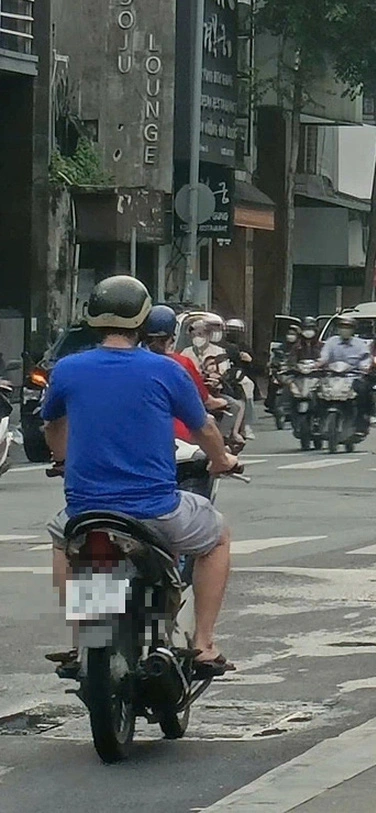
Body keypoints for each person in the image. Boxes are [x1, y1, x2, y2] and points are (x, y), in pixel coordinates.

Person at [42, 277, 239, 675]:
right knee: (217, 538)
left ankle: (82, 640)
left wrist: (63, 459)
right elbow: (205, 429)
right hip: (157, 511)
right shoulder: (164, 370)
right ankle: (203, 644)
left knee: (63, 541)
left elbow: (52, 427)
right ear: (144, 321)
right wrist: (222, 460)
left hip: (87, 512)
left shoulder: (67, 369)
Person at [143, 305, 227, 444]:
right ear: (172, 337)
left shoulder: (123, 366)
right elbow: (203, 412)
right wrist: (221, 458)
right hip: (179, 438)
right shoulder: (179, 363)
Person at [318, 316, 372, 432]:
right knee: (316, 392)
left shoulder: (360, 344)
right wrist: (319, 363)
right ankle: (317, 419)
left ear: (353, 330)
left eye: (348, 328)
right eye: (342, 327)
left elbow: (365, 358)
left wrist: (365, 366)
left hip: (353, 376)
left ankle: (363, 419)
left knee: (363, 390)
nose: (345, 330)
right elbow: (324, 356)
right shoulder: (331, 342)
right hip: (332, 376)